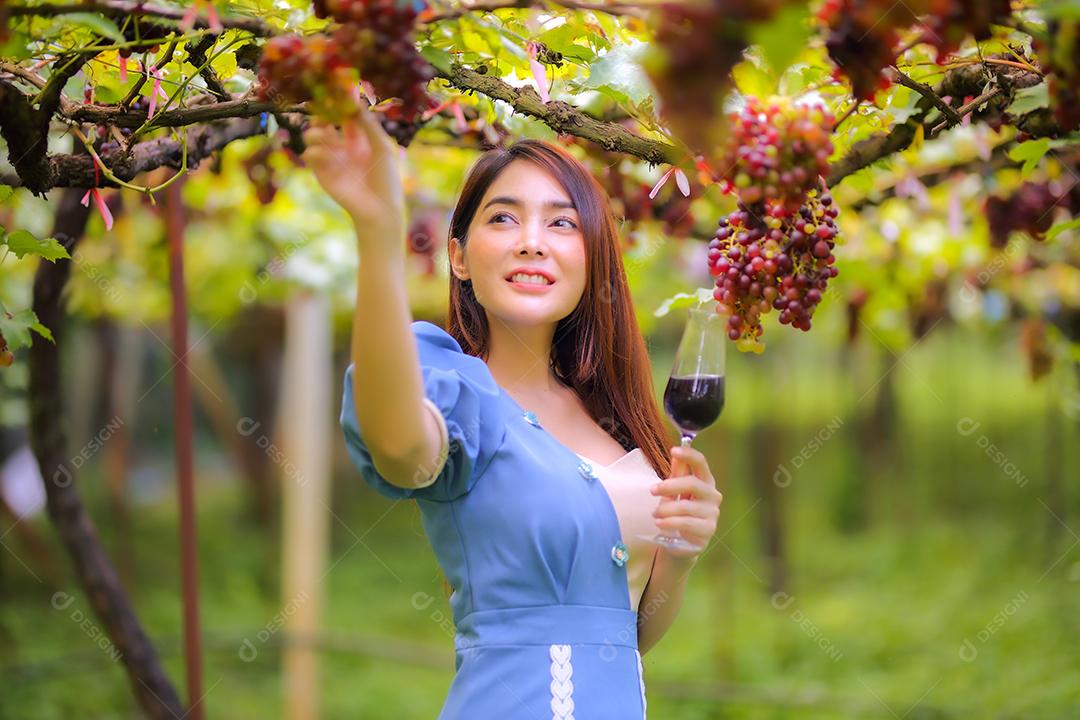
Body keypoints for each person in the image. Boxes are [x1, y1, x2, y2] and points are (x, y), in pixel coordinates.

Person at [304, 106, 724, 719]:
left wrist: (680, 558)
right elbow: (397, 446)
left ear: (591, 258)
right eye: (503, 218)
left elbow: (623, 639)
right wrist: (378, 232)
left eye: (562, 223)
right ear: (459, 257)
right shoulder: (456, 397)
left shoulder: (611, 418)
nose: (532, 240)